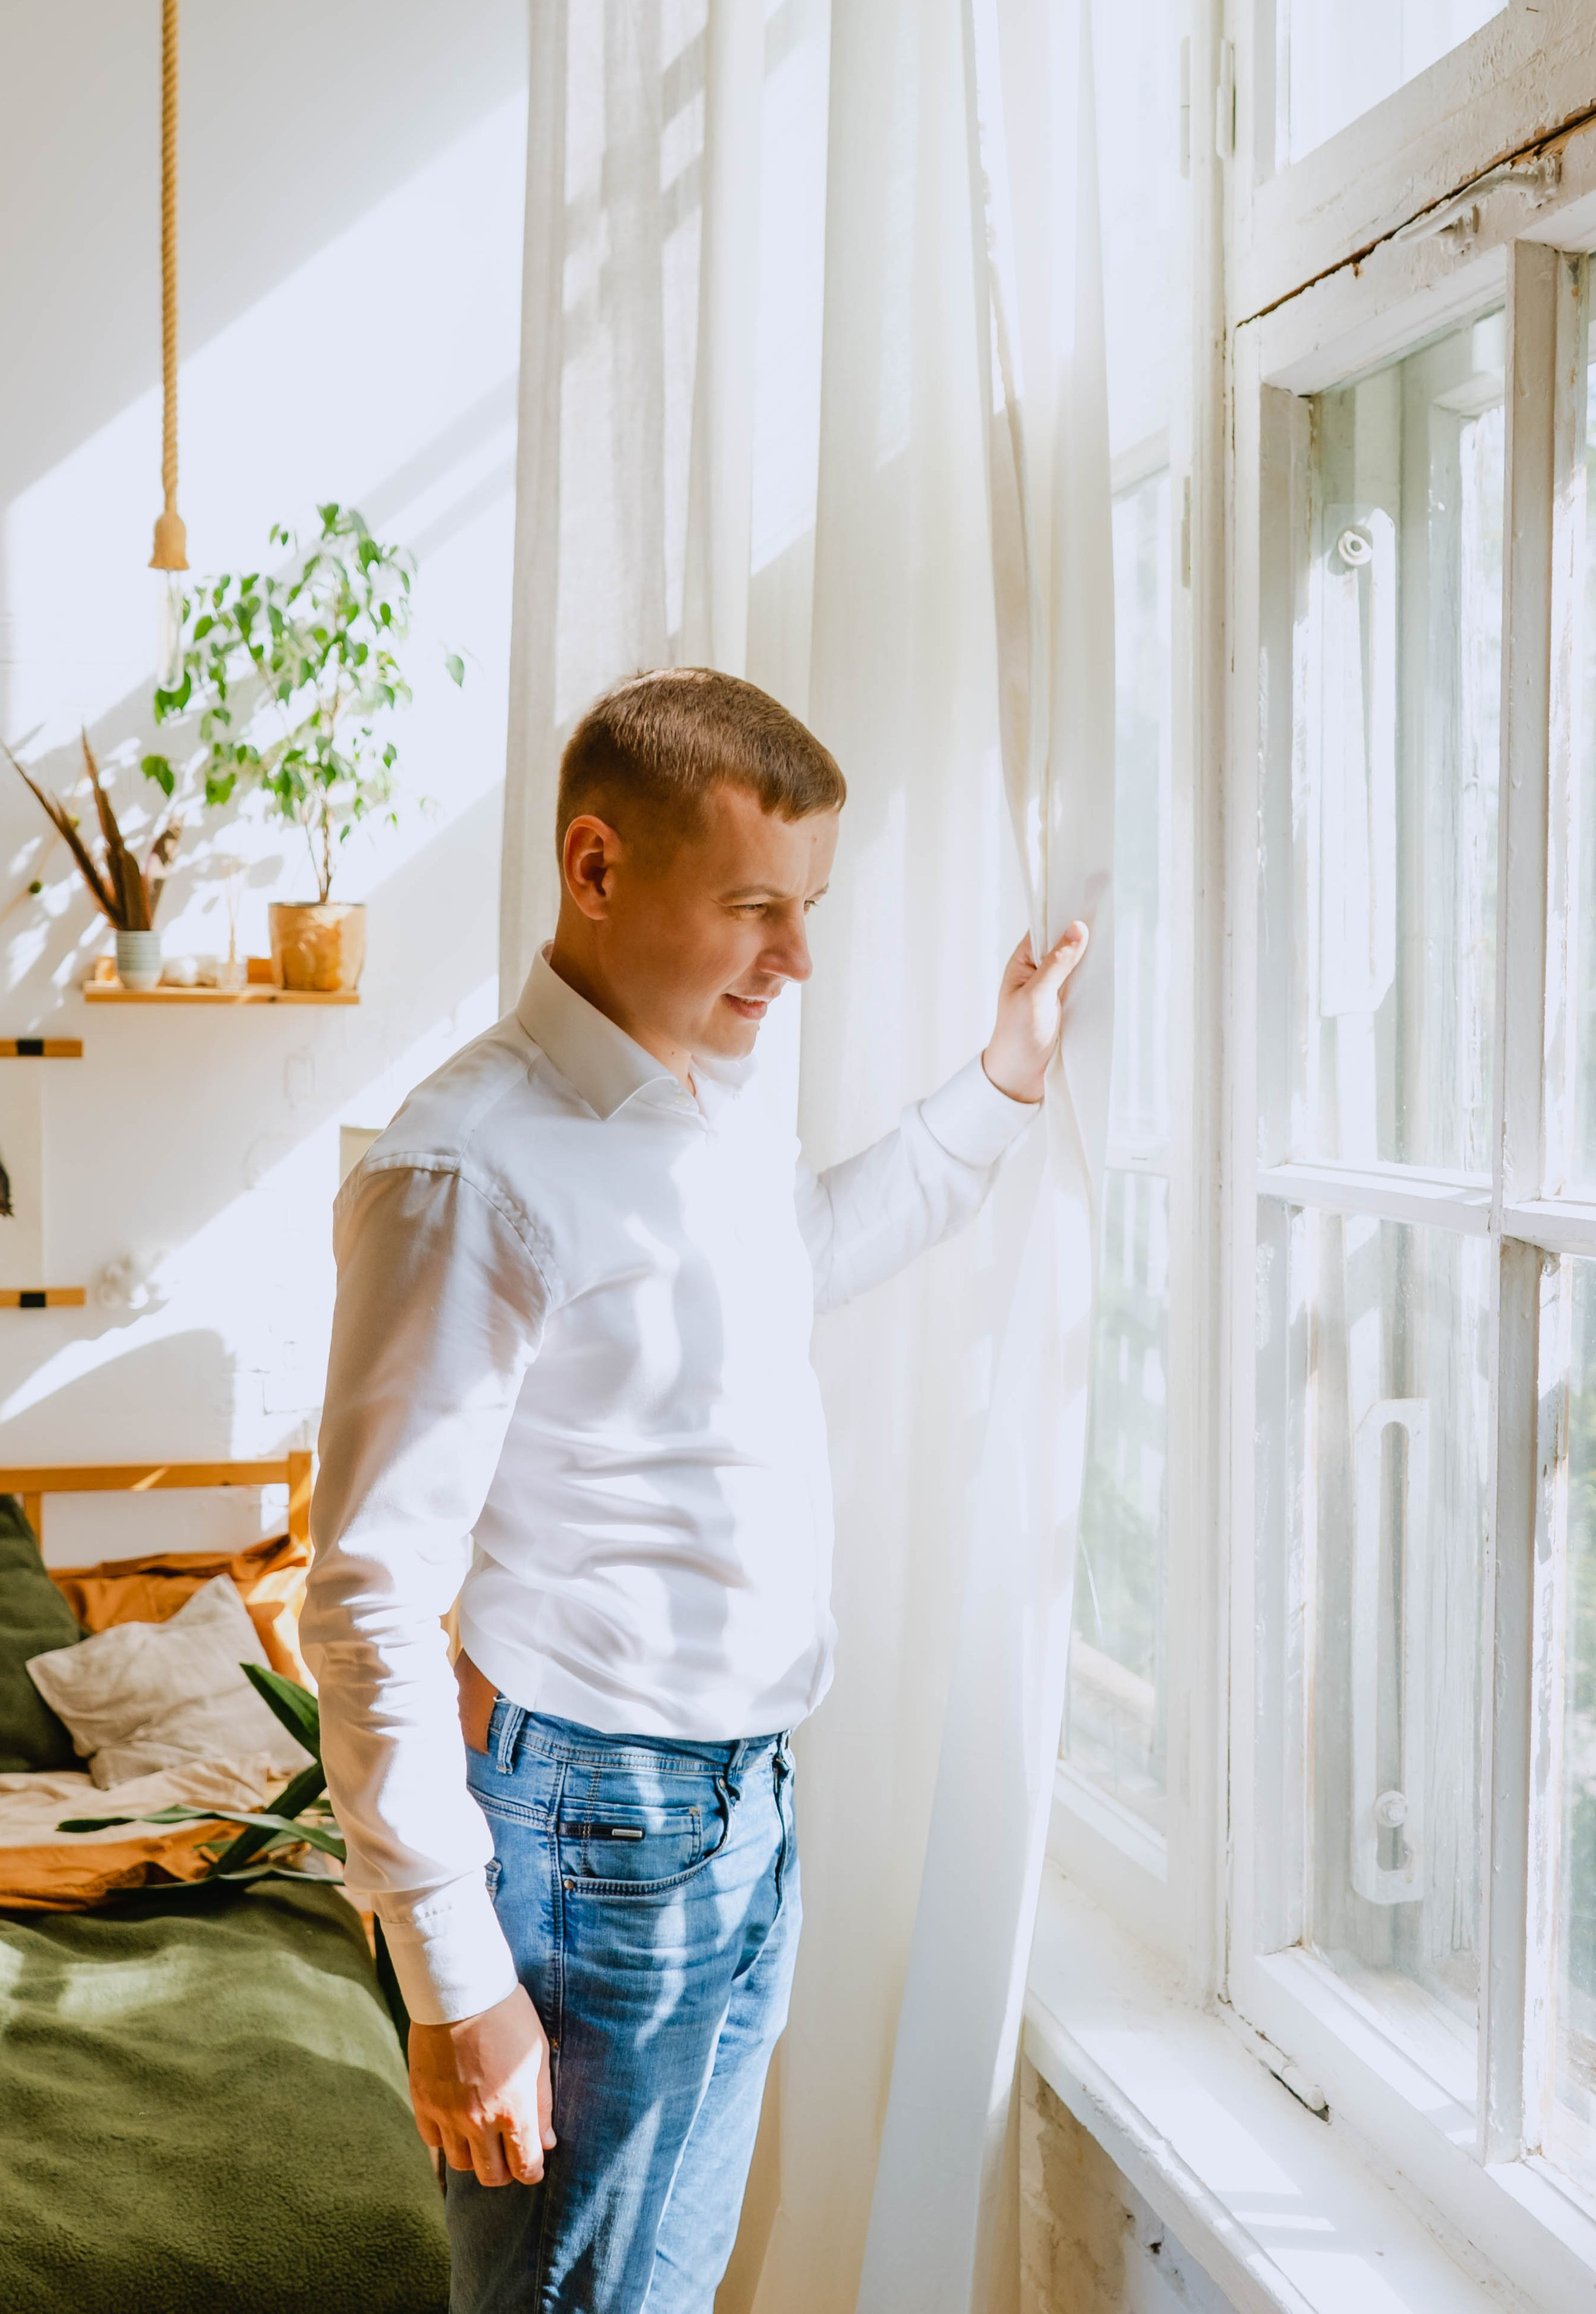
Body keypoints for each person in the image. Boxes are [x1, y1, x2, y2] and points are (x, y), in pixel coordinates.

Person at [303, 667, 1088, 2314]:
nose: (794, 959)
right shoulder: (465, 1171)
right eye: (755, 909)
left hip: (741, 1811)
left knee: (659, 2290)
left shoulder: (707, 1100)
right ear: (598, 868)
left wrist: (998, 1087)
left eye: (804, 910)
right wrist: (453, 1983)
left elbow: (799, 1259)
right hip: (592, 1829)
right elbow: (366, 1593)